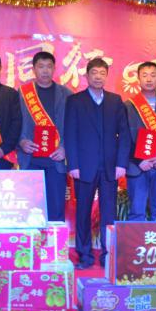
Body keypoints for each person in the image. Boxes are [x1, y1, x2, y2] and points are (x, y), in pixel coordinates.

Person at [65, 57, 129, 269]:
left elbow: (124, 134)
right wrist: (73, 165)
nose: (98, 77)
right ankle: (84, 255)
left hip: (110, 167)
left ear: (107, 75)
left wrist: (121, 164)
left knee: (108, 214)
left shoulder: (115, 101)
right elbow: (70, 134)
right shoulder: (75, 101)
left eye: (102, 73)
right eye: (94, 73)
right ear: (87, 76)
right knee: (83, 212)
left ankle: (107, 255)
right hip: (83, 167)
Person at [17, 51, 71, 223]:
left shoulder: (67, 94)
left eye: (49, 66)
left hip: (56, 161)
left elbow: (74, 127)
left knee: (56, 208)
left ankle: (54, 241)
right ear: (34, 69)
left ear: (54, 69)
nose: (45, 70)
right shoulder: (22, 93)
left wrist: (65, 148)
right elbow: (13, 123)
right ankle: (29, 241)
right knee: (30, 209)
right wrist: (21, 141)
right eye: (41, 66)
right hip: (30, 160)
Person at [124, 61, 156, 221]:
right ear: (138, 79)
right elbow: (124, 137)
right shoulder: (128, 106)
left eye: (153, 75)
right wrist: (139, 160)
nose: (149, 79)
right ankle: (136, 239)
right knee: (136, 213)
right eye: (144, 75)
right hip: (137, 166)